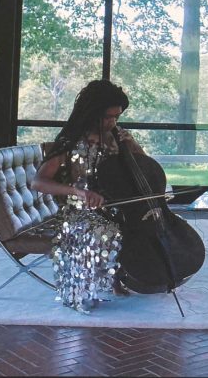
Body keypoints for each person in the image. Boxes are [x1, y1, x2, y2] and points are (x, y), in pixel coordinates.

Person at [32, 79, 144, 313]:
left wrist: (132, 146)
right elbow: (39, 182)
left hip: (115, 206)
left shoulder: (119, 138)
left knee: (140, 225)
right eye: (107, 117)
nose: (112, 122)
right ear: (92, 113)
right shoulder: (70, 142)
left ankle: (125, 277)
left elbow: (145, 168)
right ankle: (84, 287)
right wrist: (78, 192)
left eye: (117, 117)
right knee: (103, 230)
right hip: (77, 211)